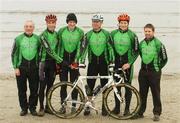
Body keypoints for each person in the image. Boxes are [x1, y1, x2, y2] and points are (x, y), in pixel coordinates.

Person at [80, 14, 114, 116]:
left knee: (105, 86)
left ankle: (105, 108)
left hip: (104, 63)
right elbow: (83, 49)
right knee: (90, 86)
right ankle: (88, 106)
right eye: (94, 21)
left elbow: (111, 49)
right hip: (92, 63)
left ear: (101, 23)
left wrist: (111, 62)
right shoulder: (88, 35)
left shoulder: (107, 34)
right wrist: (82, 62)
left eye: (97, 21)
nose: (95, 23)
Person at [136, 24, 168, 121]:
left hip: (154, 72)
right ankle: (140, 112)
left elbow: (165, 58)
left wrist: (157, 68)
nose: (147, 33)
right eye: (146, 31)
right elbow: (140, 54)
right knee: (142, 93)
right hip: (143, 72)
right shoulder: (141, 43)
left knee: (155, 93)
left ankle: (157, 113)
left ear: (153, 32)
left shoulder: (158, 44)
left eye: (149, 31)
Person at [110, 13, 139, 115]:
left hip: (127, 65)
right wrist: (111, 60)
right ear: (118, 23)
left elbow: (136, 51)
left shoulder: (133, 35)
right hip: (116, 63)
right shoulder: (112, 34)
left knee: (127, 87)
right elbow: (109, 48)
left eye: (125, 23)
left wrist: (130, 63)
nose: (123, 24)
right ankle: (117, 108)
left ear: (128, 24)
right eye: (121, 23)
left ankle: (127, 109)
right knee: (116, 86)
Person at [11, 20, 40, 116]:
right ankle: (24, 108)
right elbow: (13, 54)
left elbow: (40, 53)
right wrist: (15, 67)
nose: (28, 28)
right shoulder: (18, 39)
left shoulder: (37, 39)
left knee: (34, 89)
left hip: (34, 68)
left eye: (30, 26)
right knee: (22, 89)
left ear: (33, 28)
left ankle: (32, 108)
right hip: (21, 67)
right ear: (24, 27)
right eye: (27, 26)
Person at [57, 13, 84, 114]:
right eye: (70, 22)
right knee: (63, 84)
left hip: (74, 61)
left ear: (76, 22)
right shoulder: (61, 31)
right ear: (67, 22)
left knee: (74, 85)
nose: (71, 23)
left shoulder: (80, 32)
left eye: (73, 22)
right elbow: (58, 45)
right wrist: (59, 61)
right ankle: (63, 106)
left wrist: (76, 61)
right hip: (63, 61)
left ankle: (73, 106)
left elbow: (81, 47)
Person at [38, 14, 63, 116]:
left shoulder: (57, 35)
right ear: (46, 23)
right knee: (42, 86)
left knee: (50, 86)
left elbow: (58, 49)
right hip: (43, 63)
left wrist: (57, 62)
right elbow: (49, 50)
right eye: (49, 22)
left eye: (53, 22)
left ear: (55, 23)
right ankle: (41, 108)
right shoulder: (42, 35)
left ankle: (48, 107)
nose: (51, 24)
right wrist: (61, 60)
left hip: (52, 64)